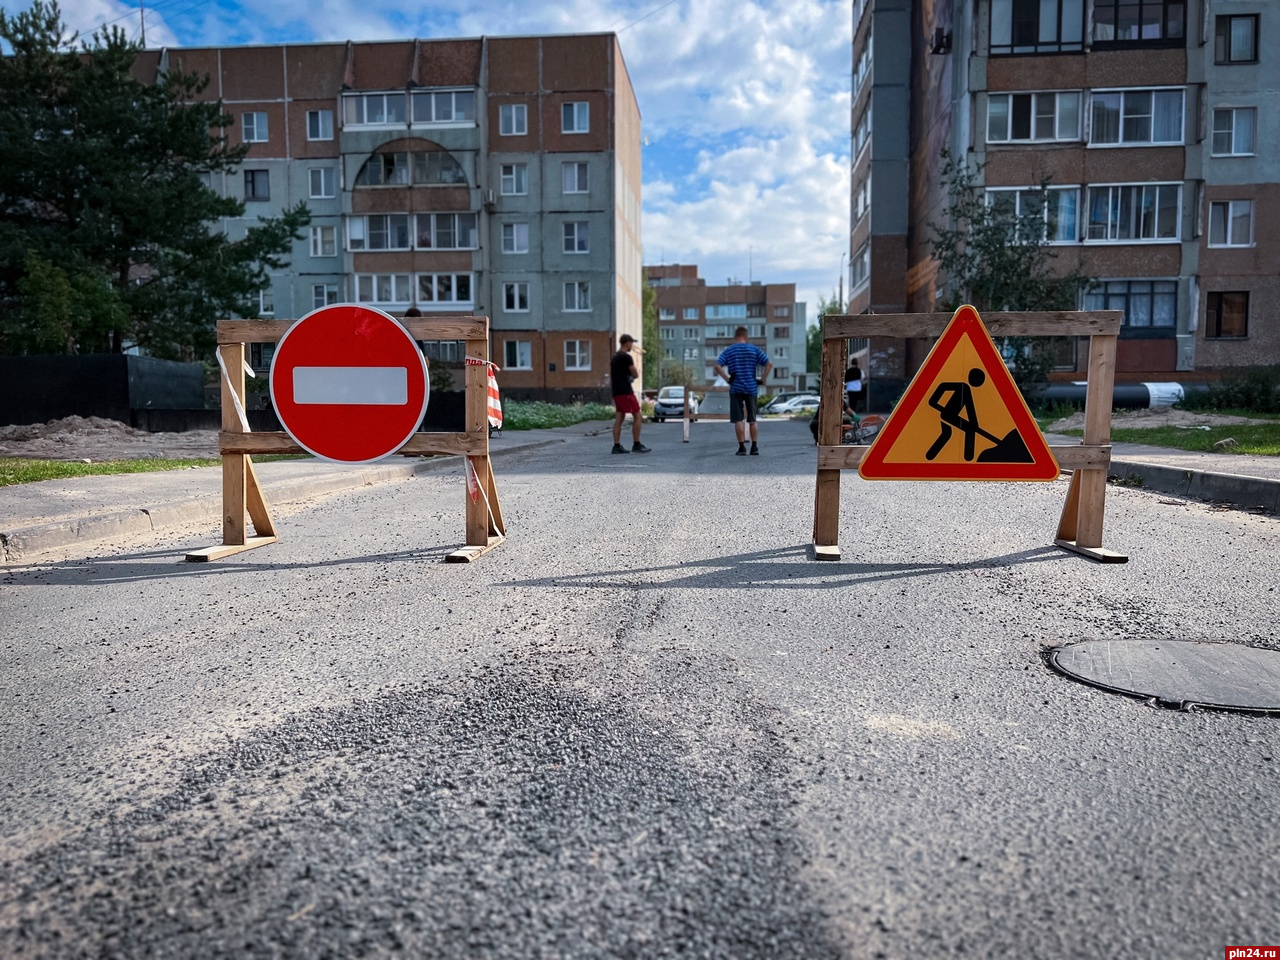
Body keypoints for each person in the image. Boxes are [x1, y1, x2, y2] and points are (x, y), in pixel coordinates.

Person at [714, 326, 772, 455]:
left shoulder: (730, 350)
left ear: (736, 336)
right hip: (751, 388)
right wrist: (762, 379)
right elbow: (769, 364)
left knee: (738, 419)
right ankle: (755, 447)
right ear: (746, 336)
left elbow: (717, 366)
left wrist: (728, 379)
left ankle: (741, 448)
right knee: (752, 419)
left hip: (736, 388)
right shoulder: (754, 350)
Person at [610, 334, 650, 454]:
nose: (632, 345)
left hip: (616, 391)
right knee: (637, 416)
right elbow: (635, 374)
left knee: (619, 417)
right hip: (626, 391)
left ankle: (616, 446)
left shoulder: (615, 357)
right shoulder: (626, 357)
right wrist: (632, 374)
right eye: (631, 343)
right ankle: (636, 444)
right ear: (627, 343)